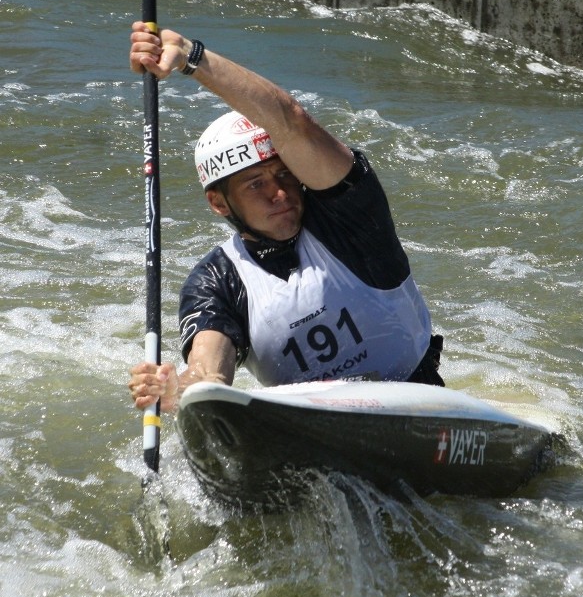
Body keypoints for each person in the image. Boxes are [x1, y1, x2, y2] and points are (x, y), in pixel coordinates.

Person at [128, 21, 444, 413]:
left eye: (284, 175)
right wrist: (176, 390)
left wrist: (192, 57)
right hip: (307, 428)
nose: (279, 193)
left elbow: (291, 121)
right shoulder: (216, 282)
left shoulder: (347, 216)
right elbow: (209, 375)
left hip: (419, 400)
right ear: (219, 204)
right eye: (255, 185)